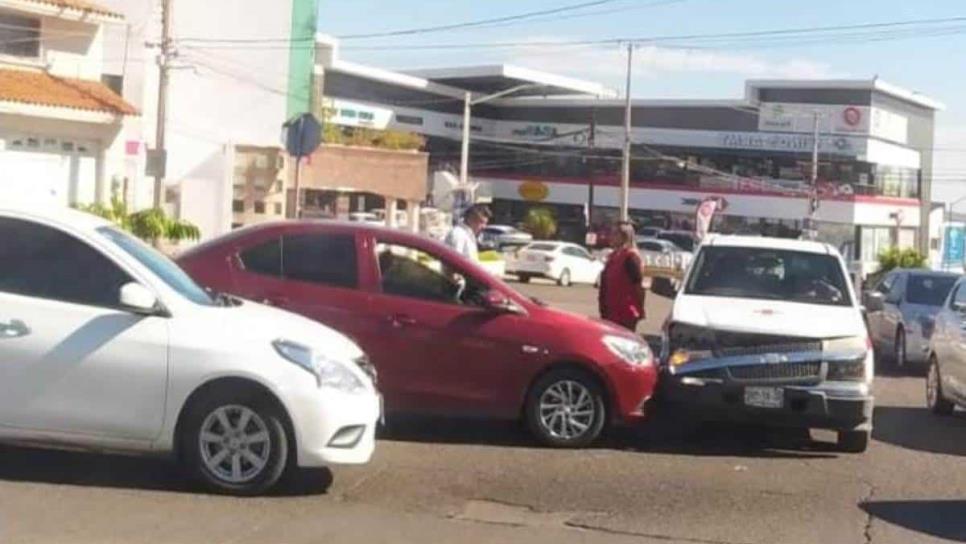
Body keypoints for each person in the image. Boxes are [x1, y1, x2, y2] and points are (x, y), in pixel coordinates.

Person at [598, 221, 645, 331]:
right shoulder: (613, 257)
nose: (611, 237)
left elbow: (638, 286)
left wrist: (639, 309)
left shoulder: (630, 257)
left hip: (625, 314)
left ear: (624, 237)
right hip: (610, 312)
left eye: (615, 234)